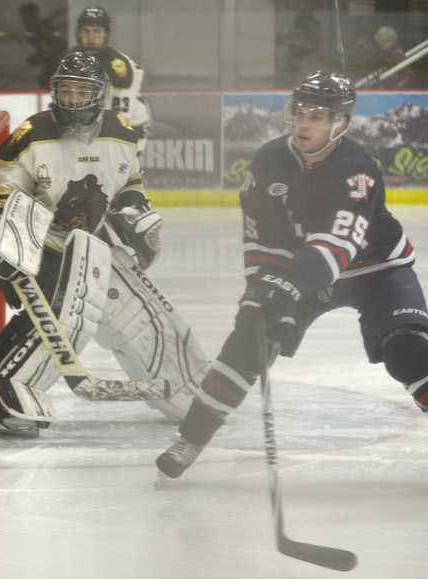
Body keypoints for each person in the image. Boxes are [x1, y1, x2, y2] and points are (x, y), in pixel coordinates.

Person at [156, 71, 427, 479]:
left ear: (341, 124)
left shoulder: (357, 170)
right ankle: (191, 438)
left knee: (409, 351)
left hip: (375, 271)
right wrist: (260, 292)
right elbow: (261, 239)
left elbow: (335, 249)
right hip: (303, 267)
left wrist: (286, 285)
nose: (303, 123)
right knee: (250, 336)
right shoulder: (268, 160)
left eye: (317, 116)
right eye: (300, 113)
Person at [0, 51, 207, 435]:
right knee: (59, 318)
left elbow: (129, 183)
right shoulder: (30, 136)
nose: (71, 100)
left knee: (138, 312)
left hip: (96, 245)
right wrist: (14, 246)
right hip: (45, 250)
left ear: (98, 95)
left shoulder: (121, 131)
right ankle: (11, 394)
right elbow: (5, 200)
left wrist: (132, 210)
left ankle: (187, 387)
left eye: (80, 92)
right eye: (65, 92)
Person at [73, 7, 150, 156]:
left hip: (122, 134)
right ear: (79, 34)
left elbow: (121, 115)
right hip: (88, 133)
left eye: (97, 32)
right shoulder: (71, 58)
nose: (91, 37)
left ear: (106, 35)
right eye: (86, 31)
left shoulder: (118, 65)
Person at [19, 2, 67, 89]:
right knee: (44, 81)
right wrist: (38, 56)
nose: (24, 20)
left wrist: (40, 56)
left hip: (59, 62)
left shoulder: (44, 28)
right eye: (23, 17)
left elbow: (59, 46)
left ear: (35, 15)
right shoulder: (31, 31)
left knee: (46, 80)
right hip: (52, 64)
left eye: (27, 17)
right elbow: (43, 49)